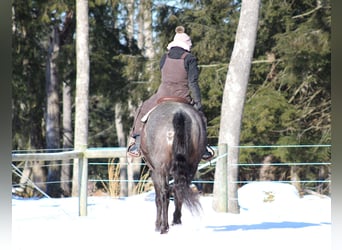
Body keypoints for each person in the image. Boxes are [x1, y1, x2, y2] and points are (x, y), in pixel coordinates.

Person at [127, 26, 214, 161]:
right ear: (187, 44)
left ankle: (136, 143)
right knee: (200, 117)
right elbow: (193, 82)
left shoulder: (164, 57)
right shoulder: (190, 58)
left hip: (162, 94)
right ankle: (204, 148)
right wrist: (198, 102)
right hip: (182, 95)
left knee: (143, 108)